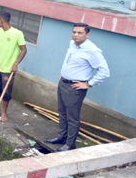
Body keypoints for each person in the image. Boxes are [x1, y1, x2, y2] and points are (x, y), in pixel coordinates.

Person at [44, 23, 109, 152]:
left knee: (72, 117)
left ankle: (70, 144)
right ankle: (61, 137)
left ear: (87, 34)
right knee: (62, 113)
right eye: (74, 32)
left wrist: (88, 84)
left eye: (80, 33)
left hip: (75, 88)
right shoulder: (72, 44)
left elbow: (104, 71)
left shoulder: (92, 50)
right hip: (63, 83)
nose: (76, 35)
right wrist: (64, 74)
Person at [0, 11, 27, 122]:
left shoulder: (17, 33)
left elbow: (23, 50)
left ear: (1, 20)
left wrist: (16, 64)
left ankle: (4, 112)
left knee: (6, 92)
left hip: (8, 69)